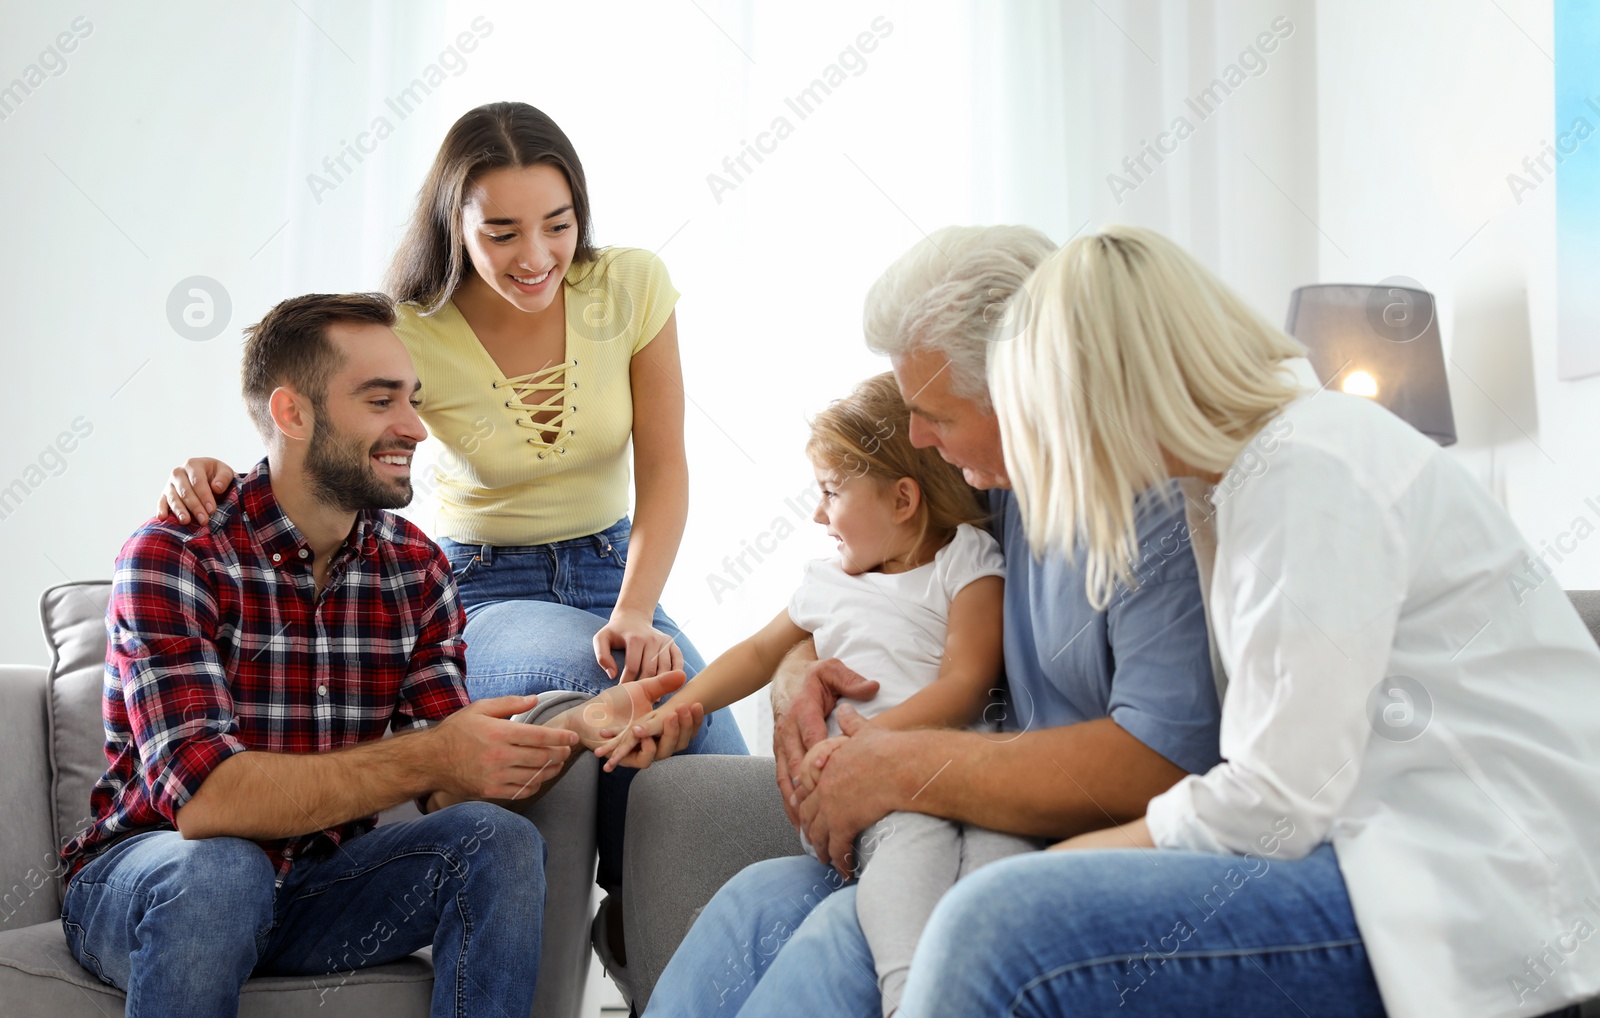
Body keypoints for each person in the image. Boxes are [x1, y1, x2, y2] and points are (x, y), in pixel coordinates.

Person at [899, 225, 1600, 1017]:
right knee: (1002, 911)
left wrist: (1063, 865)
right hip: (1386, 858)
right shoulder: (1232, 490)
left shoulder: (1309, 471)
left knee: (997, 924)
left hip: (1481, 889)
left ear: (1102, 393)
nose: (1040, 449)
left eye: (1039, 414)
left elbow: (1274, 802)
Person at [153, 101, 747, 975]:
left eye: (557, 224)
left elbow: (665, 469)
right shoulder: (416, 327)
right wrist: (215, 470)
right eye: (502, 231)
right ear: (454, 224)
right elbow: (323, 435)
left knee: (709, 757)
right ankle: (639, 929)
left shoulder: (630, 286)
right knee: (604, 680)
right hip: (485, 590)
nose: (535, 256)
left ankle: (648, 934)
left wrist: (636, 607)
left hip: (617, 569)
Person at [640, 225, 1223, 1017]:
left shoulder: (1152, 509)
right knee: (746, 909)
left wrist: (901, 766)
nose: (917, 440)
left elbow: (1162, 762)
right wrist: (800, 675)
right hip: (960, 822)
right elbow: (879, 575)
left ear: (1026, 386)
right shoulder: (998, 484)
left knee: (836, 950)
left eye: (935, 415)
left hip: (1050, 849)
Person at [63, 293, 699, 1018]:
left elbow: (449, 789)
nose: (416, 428)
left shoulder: (415, 568)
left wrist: (578, 733)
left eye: (414, 399)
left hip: (315, 886)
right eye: (381, 401)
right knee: (224, 872)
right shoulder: (175, 556)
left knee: (495, 840)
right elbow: (210, 803)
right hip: (153, 877)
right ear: (292, 414)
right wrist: (429, 756)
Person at [602, 373, 1038, 1015]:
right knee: (913, 846)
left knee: (995, 857)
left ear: (903, 500)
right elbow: (756, 654)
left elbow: (967, 682)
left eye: (832, 492)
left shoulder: (964, 562)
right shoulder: (828, 583)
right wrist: (673, 709)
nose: (815, 514)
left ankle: (962, 982)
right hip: (865, 798)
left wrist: (872, 748)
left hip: (939, 774)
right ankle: (909, 994)